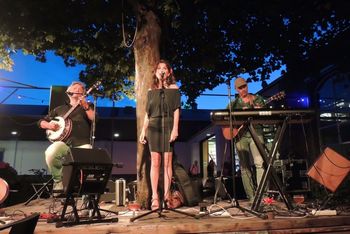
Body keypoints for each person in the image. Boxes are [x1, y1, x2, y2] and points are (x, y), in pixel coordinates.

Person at [38, 81, 95, 195]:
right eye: (75, 88)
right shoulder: (59, 109)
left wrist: (86, 106)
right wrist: (49, 125)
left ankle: (85, 192)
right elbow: (41, 122)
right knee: (51, 152)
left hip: (82, 143)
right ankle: (58, 181)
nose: (78, 89)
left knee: (88, 157)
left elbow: (94, 119)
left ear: (84, 93)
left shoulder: (88, 106)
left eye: (81, 89)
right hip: (63, 143)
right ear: (68, 92)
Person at [139, 59, 181, 210]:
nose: (161, 70)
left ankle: (167, 196)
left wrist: (175, 128)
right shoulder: (151, 91)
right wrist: (143, 130)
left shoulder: (174, 88)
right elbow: (147, 113)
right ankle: (155, 197)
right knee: (155, 162)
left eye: (165, 68)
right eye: (159, 68)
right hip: (154, 126)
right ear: (156, 72)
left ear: (169, 72)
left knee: (167, 162)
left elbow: (176, 109)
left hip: (168, 124)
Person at [225, 77, 265, 203]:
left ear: (247, 86)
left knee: (260, 163)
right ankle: (252, 197)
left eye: (244, 86)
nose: (243, 89)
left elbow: (266, 115)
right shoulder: (234, 104)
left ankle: (262, 196)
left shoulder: (258, 99)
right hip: (241, 135)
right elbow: (225, 118)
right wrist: (239, 118)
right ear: (236, 89)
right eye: (240, 88)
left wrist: (260, 111)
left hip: (256, 132)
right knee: (245, 167)